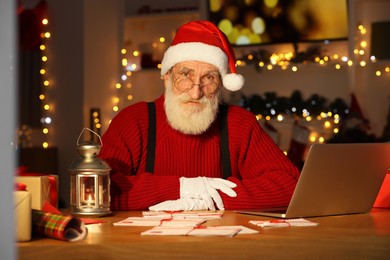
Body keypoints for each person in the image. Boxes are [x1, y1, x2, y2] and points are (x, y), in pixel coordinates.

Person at [99, 20, 300, 211]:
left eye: (209, 78)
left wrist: (209, 197)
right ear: (167, 77)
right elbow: (97, 189)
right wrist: (183, 188)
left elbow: (290, 186)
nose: (196, 92)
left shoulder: (239, 123)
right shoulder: (134, 121)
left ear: (221, 83)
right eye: (186, 75)